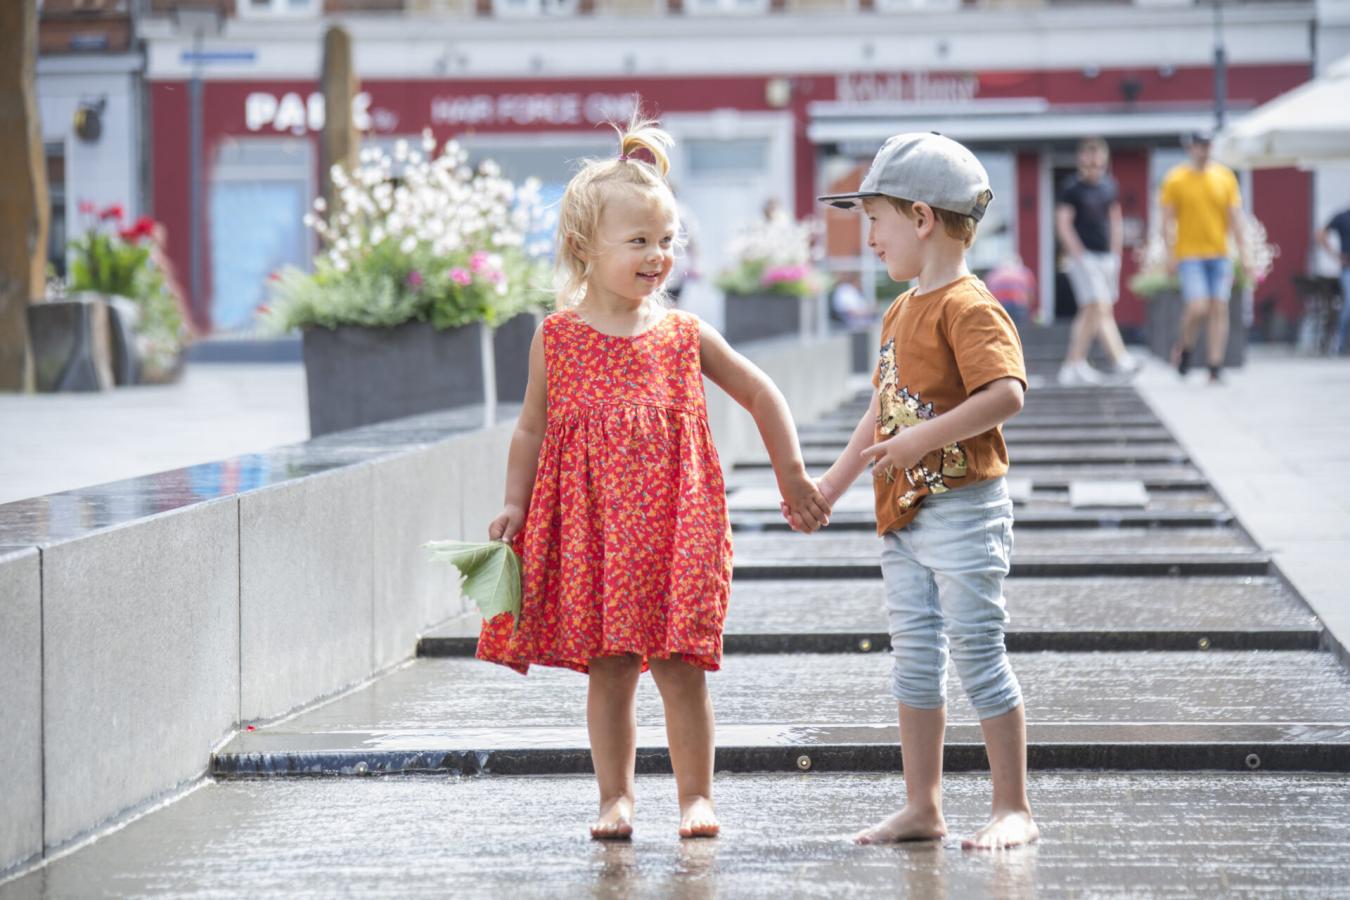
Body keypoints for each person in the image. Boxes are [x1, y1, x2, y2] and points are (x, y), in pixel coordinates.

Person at [475, 114, 831, 842]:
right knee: (609, 670)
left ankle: (695, 795)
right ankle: (616, 797)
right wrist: (514, 502)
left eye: (667, 241)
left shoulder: (682, 335)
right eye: (638, 242)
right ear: (583, 248)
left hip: (676, 527)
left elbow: (762, 392)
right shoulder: (558, 338)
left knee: (679, 667)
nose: (657, 256)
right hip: (598, 531)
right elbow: (531, 427)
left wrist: (791, 474)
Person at [803, 132, 1037, 849]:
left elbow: (1006, 395)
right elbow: (883, 407)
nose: (867, 237)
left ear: (921, 218)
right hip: (901, 515)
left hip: (964, 509)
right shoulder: (902, 310)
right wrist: (832, 485)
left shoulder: (968, 306)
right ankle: (923, 806)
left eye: (875, 220)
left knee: (975, 649)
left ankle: (1013, 808)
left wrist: (919, 442)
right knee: (913, 657)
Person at [1160, 130, 1248, 383]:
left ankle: (1214, 366)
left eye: (1208, 146)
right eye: (1199, 146)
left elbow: (1235, 218)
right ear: (1191, 149)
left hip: (1220, 254)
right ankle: (1185, 349)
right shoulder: (1176, 179)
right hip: (1189, 255)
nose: (1203, 150)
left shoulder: (1225, 177)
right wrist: (1169, 254)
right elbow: (1166, 221)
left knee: (1219, 307)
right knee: (1198, 307)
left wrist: (1244, 254)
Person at [1056, 137, 1138, 384]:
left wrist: (1116, 254)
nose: (1094, 164)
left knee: (1096, 310)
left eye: (1098, 159)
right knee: (1098, 305)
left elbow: (1115, 221)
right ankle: (1118, 360)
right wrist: (1079, 254)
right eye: (1089, 158)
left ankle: (1075, 365)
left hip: (1106, 258)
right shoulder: (1071, 188)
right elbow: (1063, 224)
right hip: (1083, 258)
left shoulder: (1109, 186)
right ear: (1082, 159)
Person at [1316, 205, 1350, 354]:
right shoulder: (1343, 217)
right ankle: (1339, 342)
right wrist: (1335, 255)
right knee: (1348, 303)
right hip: (1347, 268)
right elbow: (1320, 234)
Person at [983, 254, 1036, 331]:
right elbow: (1030, 295)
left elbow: (987, 294)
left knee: (1002, 331)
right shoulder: (1024, 272)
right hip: (1017, 305)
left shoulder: (993, 274)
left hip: (999, 305)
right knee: (1021, 332)